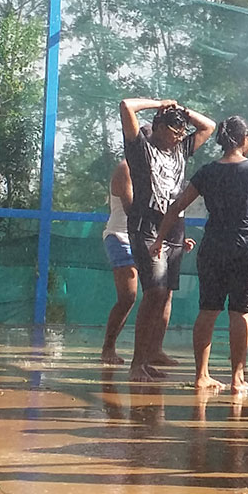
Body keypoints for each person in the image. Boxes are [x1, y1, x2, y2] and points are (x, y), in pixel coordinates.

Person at [157, 116, 248, 396]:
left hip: (213, 248)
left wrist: (160, 238)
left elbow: (177, 206)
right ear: (244, 139)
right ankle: (237, 379)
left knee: (208, 310)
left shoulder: (207, 172)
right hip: (247, 249)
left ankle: (201, 375)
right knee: (241, 313)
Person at [119, 97, 215, 375]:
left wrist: (182, 110)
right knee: (154, 292)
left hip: (174, 230)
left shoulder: (181, 149)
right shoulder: (141, 149)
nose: (180, 137)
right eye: (174, 131)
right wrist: (159, 103)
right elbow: (126, 105)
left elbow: (208, 126)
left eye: (183, 132)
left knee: (164, 295)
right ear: (159, 128)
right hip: (147, 229)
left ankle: (150, 356)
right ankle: (137, 363)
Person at [99, 152, 139, 369]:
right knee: (128, 296)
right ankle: (108, 347)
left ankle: (152, 351)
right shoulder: (126, 167)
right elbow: (132, 209)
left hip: (143, 238)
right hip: (120, 236)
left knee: (159, 294)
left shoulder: (155, 167)